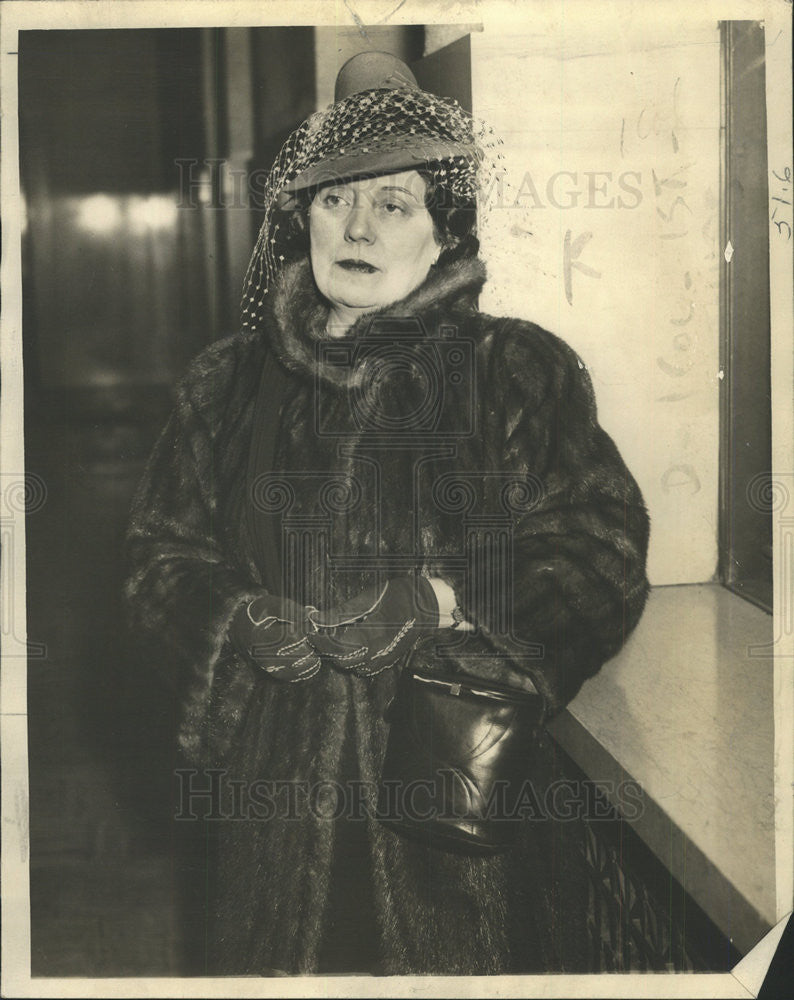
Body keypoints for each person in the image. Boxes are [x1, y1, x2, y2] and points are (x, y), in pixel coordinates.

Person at [124, 51, 650, 976]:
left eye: (393, 204)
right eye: (334, 200)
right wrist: (234, 620)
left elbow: (596, 548)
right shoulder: (227, 385)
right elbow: (158, 562)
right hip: (271, 822)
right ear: (301, 219)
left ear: (444, 234)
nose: (357, 226)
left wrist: (439, 601)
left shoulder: (515, 373)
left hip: (463, 831)